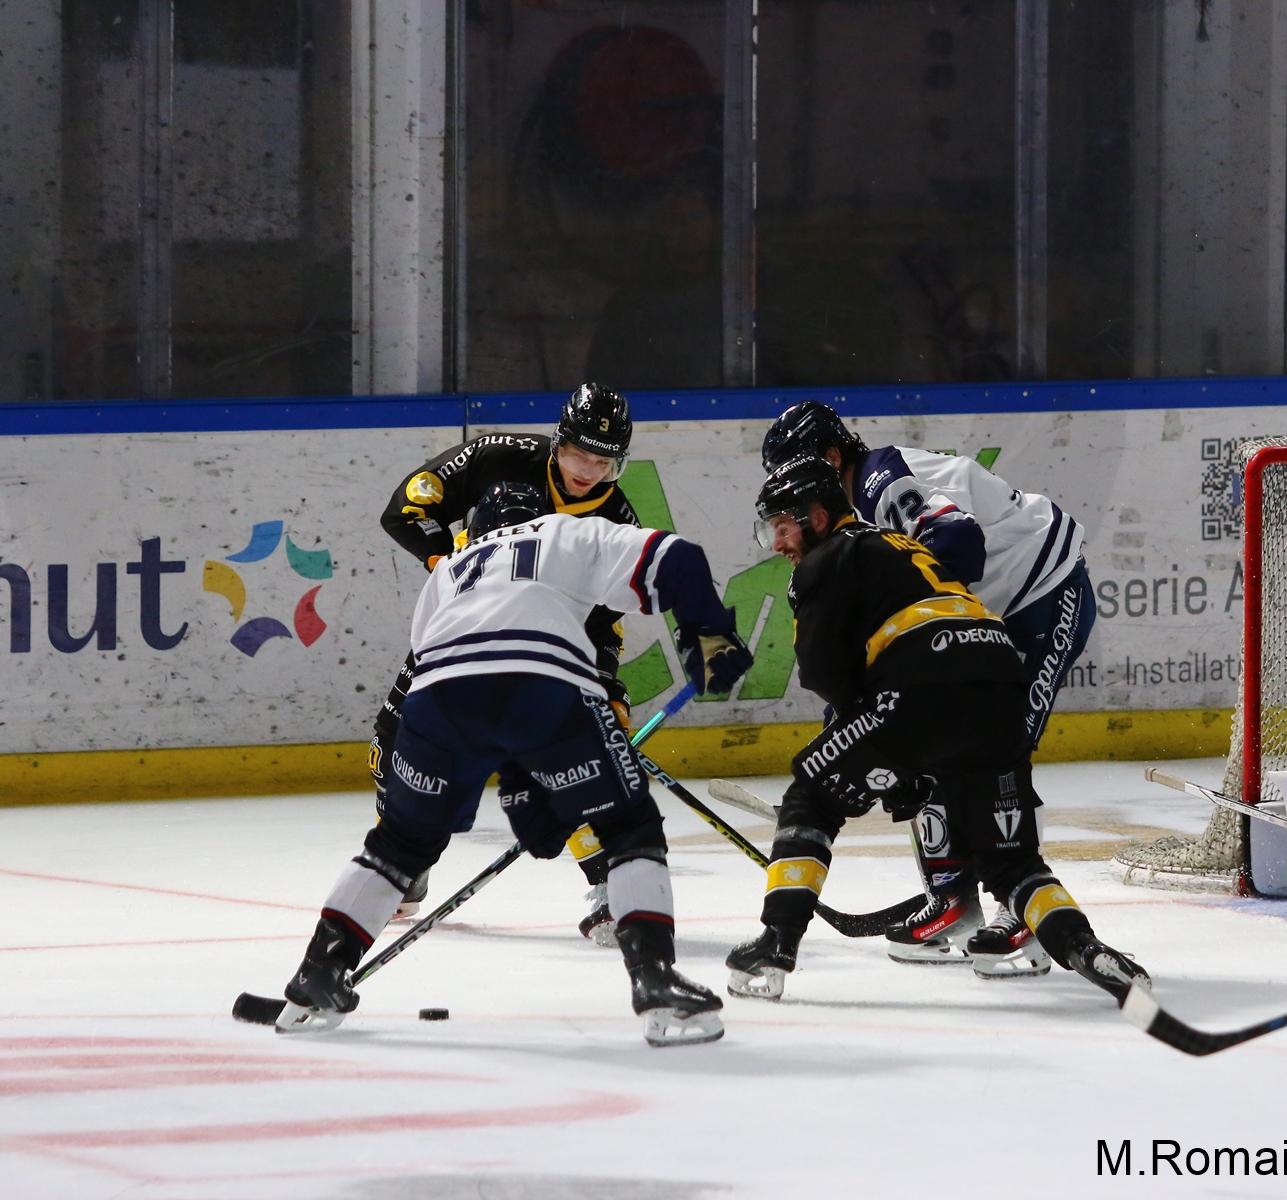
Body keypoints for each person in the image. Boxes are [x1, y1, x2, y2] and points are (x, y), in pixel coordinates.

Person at [279, 481, 753, 1047]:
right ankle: (655, 980)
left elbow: (467, 675)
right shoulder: (563, 531)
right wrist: (709, 631)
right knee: (628, 826)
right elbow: (677, 557)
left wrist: (523, 782)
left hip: (435, 701)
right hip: (541, 684)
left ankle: (318, 973)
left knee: (397, 845)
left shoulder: (448, 572)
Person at [721, 456, 1144, 1004]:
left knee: (811, 797)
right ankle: (1085, 947)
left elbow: (825, 675)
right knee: (1011, 862)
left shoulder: (824, 561)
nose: (778, 543)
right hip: (1000, 689)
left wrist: (897, 759)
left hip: (924, 685)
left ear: (817, 517)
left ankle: (777, 941)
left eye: (782, 527)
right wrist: (909, 757)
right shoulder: (904, 544)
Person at [759, 400, 1093, 977]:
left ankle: (1020, 914)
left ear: (831, 458)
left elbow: (958, 544)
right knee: (939, 742)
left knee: (1000, 754)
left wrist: (914, 659)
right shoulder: (859, 511)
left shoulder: (878, 481)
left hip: (1044, 596)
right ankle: (953, 901)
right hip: (987, 619)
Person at [375, 383, 638, 940]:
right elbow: (406, 509)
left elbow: (602, 623)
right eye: (579, 454)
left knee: (559, 759)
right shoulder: (500, 456)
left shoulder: (617, 526)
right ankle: (405, 861)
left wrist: (607, 688)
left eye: (604, 462)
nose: (589, 472)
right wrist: (451, 565)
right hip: (463, 626)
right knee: (395, 740)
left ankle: (610, 884)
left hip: (542, 643)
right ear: (558, 441)